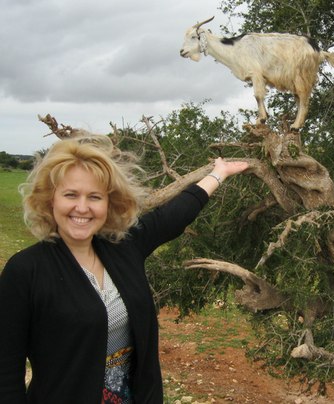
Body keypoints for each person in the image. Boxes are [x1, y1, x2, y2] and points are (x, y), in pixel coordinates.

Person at [0, 134, 248, 403]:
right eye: (70, 195)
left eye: (94, 197)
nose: (82, 207)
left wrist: (218, 173)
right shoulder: (26, 271)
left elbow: (174, 215)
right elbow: (6, 371)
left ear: (109, 204)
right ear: (51, 200)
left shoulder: (123, 246)